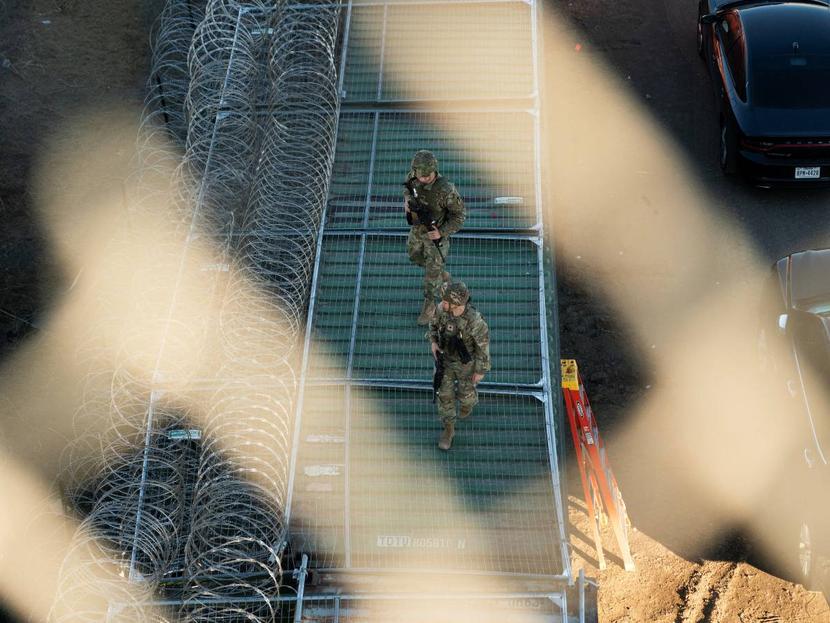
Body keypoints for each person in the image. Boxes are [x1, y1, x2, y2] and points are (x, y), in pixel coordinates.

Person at [403, 149, 465, 325]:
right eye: (421, 176)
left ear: (434, 171)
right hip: (418, 230)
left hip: (436, 235)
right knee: (414, 255)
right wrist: (407, 203)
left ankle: (429, 304)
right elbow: (407, 188)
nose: (425, 179)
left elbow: (459, 216)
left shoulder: (446, 190)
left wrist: (441, 232)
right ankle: (440, 274)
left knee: (431, 274)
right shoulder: (413, 177)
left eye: (428, 175)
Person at [427, 281, 490, 450]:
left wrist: (480, 370)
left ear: (456, 304)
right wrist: (433, 341)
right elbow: (433, 325)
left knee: (466, 396)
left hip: (466, 364)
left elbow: (483, 348)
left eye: (446, 301)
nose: (442, 303)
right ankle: (449, 430)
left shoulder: (475, 322)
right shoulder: (441, 310)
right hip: (445, 360)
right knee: (444, 395)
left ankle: (467, 405)